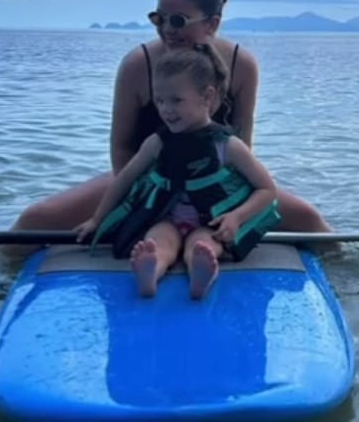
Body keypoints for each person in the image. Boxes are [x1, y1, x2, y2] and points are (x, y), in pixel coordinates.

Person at [11, 0, 331, 238]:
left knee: (311, 222)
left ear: (212, 23)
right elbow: (121, 149)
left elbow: (243, 144)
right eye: (158, 19)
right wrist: (146, 203)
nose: (167, 30)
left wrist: (228, 205)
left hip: (215, 180)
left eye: (178, 21)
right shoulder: (139, 65)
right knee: (33, 221)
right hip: (148, 177)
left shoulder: (241, 66)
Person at [75, 44, 280, 300]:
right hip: (167, 218)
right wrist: (97, 219)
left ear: (207, 97)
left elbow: (267, 190)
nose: (166, 110)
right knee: (158, 242)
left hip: (210, 221)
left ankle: (200, 275)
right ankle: (151, 271)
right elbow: (124, 179)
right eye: (160, 101)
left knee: (203, 245)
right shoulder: (157, 143)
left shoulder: (226, 146)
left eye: (176, 100)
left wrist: (236, 218)